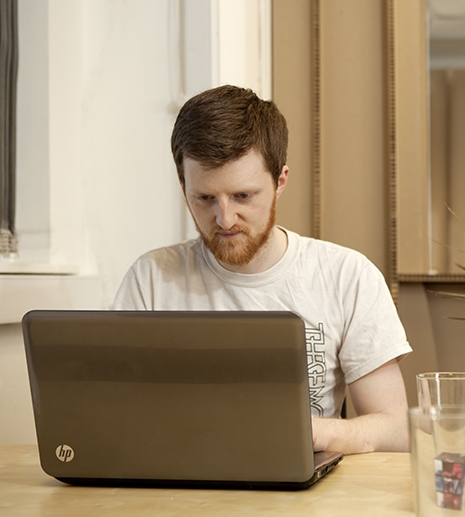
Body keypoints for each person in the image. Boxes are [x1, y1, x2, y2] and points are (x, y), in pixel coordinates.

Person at [113, 85, 412, 454]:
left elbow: (396, 430)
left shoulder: (347, 276)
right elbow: (115, 415)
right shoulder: (150, 279)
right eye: (204, 198)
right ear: (183, 186)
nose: (224, 219)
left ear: (280, 182)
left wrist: (311, 433)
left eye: (243, 196)